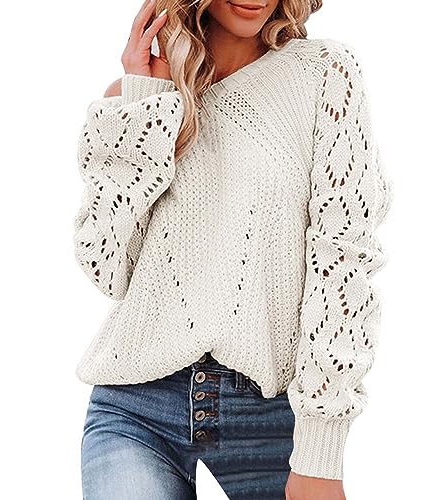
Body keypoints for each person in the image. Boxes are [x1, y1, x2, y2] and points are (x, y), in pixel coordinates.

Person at [73, 0, 394, 498]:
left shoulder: (324, 75)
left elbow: (342, 265)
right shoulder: (138, 99)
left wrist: (321, 452)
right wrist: (145, 100)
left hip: (273, 413)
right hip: (138, 409)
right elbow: (107, 266)